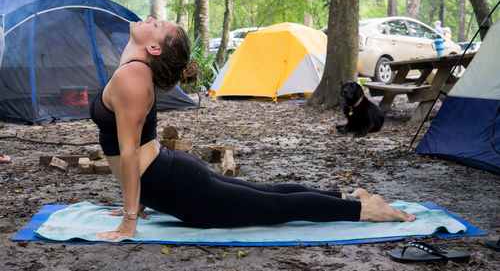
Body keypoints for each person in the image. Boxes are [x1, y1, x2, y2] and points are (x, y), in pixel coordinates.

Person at [90, 17, 415, 242]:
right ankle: (347, 196)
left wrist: (129, 220)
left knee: (275, 206)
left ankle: (364, 210)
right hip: (169, 178)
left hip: (175, 186)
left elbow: (131, 151)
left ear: (155, 49)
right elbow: (137, 144)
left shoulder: (132, 77)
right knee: (268, 194)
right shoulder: (133, 74)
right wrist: (139, 202)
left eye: (157, 25)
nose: (150, 19)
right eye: (157, 22)